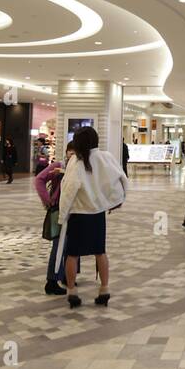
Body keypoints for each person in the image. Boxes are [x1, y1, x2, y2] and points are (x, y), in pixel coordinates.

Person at [55, 127, 128, 309]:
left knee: (72, 254)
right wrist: (116, 201)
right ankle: (104, 289)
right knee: (100, 252)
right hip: (97, 215)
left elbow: (68, 191)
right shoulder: (106, 157)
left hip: (78, 216)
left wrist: (62, 216)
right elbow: (122, 179)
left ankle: (72, 291)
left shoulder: (75, 161)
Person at [35, 143, 75, 296]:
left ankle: (67, 276)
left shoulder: (78, 167)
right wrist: (47, 200)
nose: (73, 155)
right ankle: (52, 281)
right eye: (70, 151)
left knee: (72, 244)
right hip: (59, 210)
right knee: (59, 245)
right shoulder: (59, 165)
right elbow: (39, 180)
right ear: (66, 152)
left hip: (75, 211)